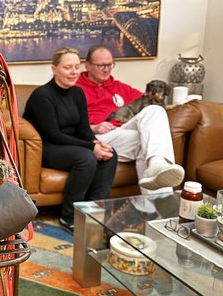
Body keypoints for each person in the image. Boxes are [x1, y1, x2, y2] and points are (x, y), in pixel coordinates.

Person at [23, 47, 117, 232]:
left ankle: (95, 212)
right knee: (87, 158)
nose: (73, 72)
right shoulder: (42, 96)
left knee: (109, 154)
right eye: (67, 67)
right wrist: (90, 148)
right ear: (54, 68)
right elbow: (53, 135)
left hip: (70, 144)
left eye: (76, 67)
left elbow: (83, 128)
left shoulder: (78, 93)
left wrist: (96, 143)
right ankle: (69, 217)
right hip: (47, 147)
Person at [77, 45, 184, 195]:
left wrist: (181, 104)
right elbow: (67, 122)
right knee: (145, 142)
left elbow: (146, 101)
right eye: (101, 65)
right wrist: (93, 127)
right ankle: (162, 210)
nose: (106, 69)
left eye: (109, 65)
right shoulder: (75, 87)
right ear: (87, 65)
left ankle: (157, 163)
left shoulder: (120, 88)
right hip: (97, 137)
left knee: (155, 110)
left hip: (122, 131)